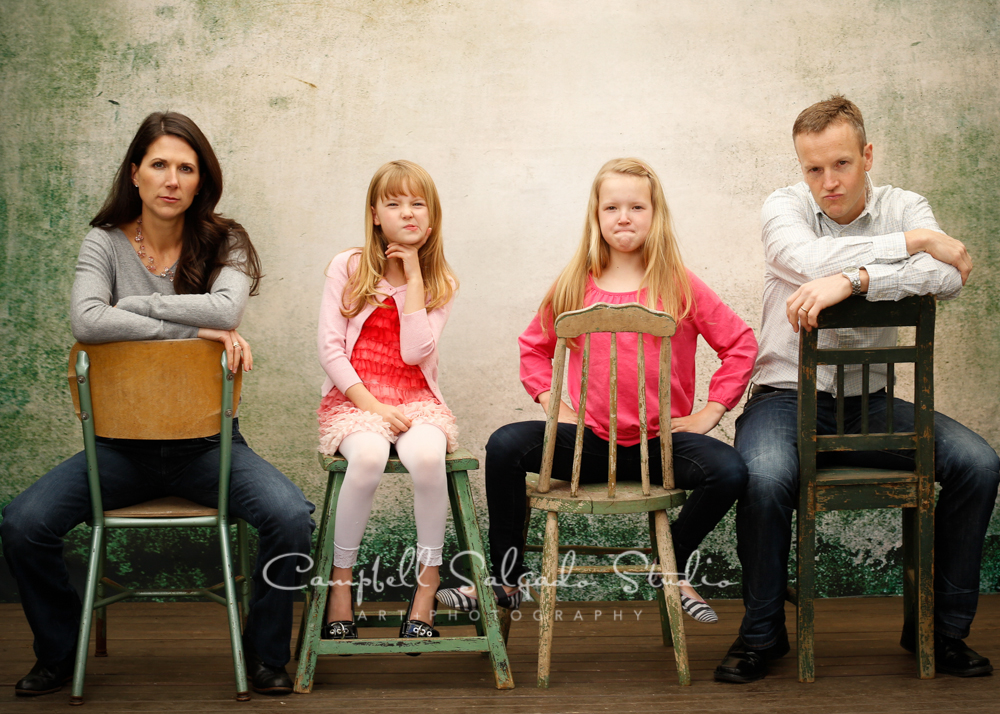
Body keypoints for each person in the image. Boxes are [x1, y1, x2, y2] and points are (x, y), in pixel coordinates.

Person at [0, 112, 315, 697]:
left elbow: (225, 312)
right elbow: (86, 321)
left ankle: (265, 656)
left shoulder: (229, 241)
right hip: (118, 452)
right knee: (22, 523)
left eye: (186, 168)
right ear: (136, 173)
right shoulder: (103, 242)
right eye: (160, 164)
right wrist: (191, 332)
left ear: (201, 181)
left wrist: (140, 310)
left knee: (290, 515)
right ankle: (61, 654)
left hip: (208, 447)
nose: (172, 179)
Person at [714, 96, 1000, 683]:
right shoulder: (784, 207)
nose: (828, 182)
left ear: (867, 156)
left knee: (979, 462)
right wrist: (912, 244)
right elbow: (801, 255)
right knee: (764, 478)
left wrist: (856, 278)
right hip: (782, 399)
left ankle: (943, 632)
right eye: (813, 168)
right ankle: (762, 636)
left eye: (841, 164)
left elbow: (949, 276)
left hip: (870, 406)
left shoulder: (905, 206)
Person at [436, 158, 757, 623]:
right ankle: (505, 579)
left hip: (660, 445)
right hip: (588, 442)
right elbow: (533, 348)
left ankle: (671, 565)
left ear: (656, 214)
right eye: (612, 207)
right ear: (597, 215)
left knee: (729, 469)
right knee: (505, 444)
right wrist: (554, 403)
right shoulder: (573, 285)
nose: (623, 217)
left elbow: (740, 343)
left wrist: (712, 409)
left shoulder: (679, 284)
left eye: (636, 207)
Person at [317, 160, 459, 645]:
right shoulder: (349, 267)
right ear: (375, 214)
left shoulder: (442, 283)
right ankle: (340, 588)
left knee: (425, 456)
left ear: (432, 217)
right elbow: (330, 348)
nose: (407, 212)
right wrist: (372, 407)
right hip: (356, 400)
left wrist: (414, 276)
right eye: (394, 203)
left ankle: (427, 587)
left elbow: (414, 353)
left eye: (418, 203)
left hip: (417, 400)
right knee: (371, 458)